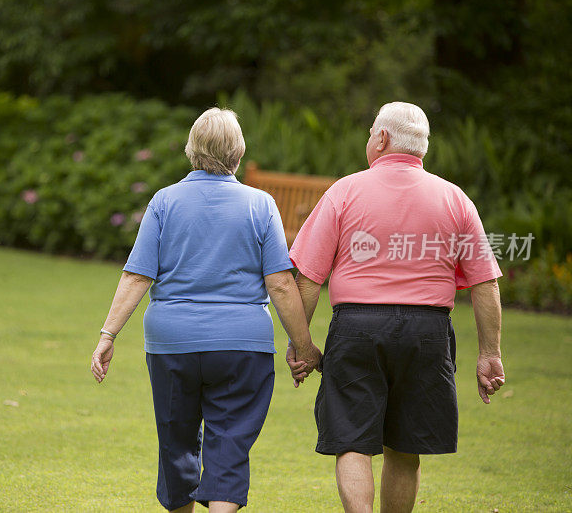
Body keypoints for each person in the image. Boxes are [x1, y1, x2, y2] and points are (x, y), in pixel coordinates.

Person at [90, 107, 322, 513]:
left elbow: (136, 277)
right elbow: (281, 283)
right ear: (238, 151)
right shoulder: (261, 205)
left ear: (191, 149)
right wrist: (303, 347)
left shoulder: (164, 202)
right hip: (242, 346)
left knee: (176, 438)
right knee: (229, 441)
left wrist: (108, 335)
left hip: (171, 345)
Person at [287, 102, 505, 513]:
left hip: (356, 327)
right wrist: (490, 354)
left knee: (351, 440)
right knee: (405, 448)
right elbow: (484, 283)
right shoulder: (455, 199)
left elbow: (309, 278)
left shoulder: (345, 191)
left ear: (382, 139)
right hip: (428, 332)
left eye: (371, 132)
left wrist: (302, 344)